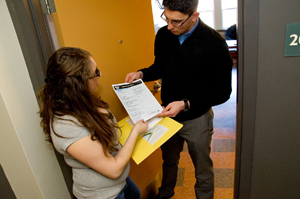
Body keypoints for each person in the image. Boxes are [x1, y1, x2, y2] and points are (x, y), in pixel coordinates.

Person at [125, 0, 233, 198]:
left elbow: (222, 92)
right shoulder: (164, 35)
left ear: (194, 16)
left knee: (202, 167)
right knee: (169, 160)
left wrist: (185, 104)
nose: (169, 26)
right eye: (166, 18)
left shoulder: (214, 42)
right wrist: (141, 74)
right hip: (167, 114)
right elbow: (160, 67)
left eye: (177, 22)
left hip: (197, 117)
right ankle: (165, 193)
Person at [38, 47, 148, 199]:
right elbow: (114, 169)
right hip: (104, 195)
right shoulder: (65, 125)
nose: (100, 75)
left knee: (135, 193)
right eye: (95, 73)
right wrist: (135, 131)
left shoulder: (82, 99)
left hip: (120, 183)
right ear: (79, 83)